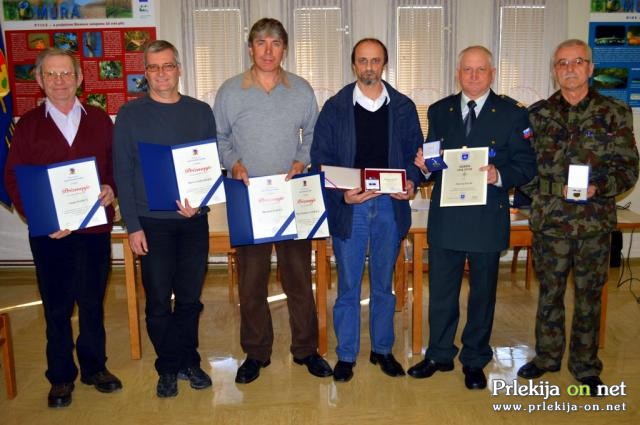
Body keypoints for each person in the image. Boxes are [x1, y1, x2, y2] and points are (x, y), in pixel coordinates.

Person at [408, 46, 537, 389]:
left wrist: (498, 175)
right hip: (447, 218)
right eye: (467, 69)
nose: (474, 76)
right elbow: (434, 163)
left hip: (486, 217)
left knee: (482, 295)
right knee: (441, 292)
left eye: (481, 69)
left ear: (492, 73)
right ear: (458, 73)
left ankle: (475, 359)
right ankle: (438, 354)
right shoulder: (440, 111)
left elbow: (527, 165)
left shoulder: (512, 114)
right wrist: (423, 167)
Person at [517, 39, 639, 396]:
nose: (569, 68)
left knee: (589, 296)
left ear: (590, 68)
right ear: (554, 71)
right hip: (551, 222)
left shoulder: (614, 113)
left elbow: (629, 169)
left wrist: (599, 188)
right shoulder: (537, 114)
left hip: (592, 223)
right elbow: (525, 166)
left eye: (577, 62)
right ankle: (547, 358)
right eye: (562, 63)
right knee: (549, 293)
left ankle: (585, 367)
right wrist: (537, 187)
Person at [214, 18, 332, 384]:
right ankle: (256, 352)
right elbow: (218, 136)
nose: (268, 50)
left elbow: (314, 133)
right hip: (248, 198)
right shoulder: (231, 91)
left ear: (284, 48)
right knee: (251, 282)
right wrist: (233, 164)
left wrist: (302, 159)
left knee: (297, 278)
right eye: (261, 42)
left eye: (275, 43)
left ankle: (306, 350)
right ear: (250, 48)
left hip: (291, 195)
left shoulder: (300, 89)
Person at [4, 47, 122, 408]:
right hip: (50, 236)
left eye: (66, 74)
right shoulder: (26, 126)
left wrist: (110, 188)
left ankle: (94, 367)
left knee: (91, 304)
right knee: (56, 308)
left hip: (92, 232)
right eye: (51, 75)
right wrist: (39, 218)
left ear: (79, 78)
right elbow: (13, 178)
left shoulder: (101, 120)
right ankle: (60, 377)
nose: (59, 81)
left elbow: (115, 167)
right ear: (39, 81)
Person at [310, 38, 423, 382]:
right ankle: (346, 354)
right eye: (363, 61)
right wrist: (344, 195)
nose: (369, 67)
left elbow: (415, 154)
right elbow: (320, 159)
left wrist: (413, 182)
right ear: (354, 65)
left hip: (389, 207)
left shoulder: (403, 106)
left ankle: (383, 350)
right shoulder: (335, 107)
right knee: (347, 285)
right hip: (352, 208)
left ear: (384, 64)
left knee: (384, 285)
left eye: (375, 61)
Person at [113, 40, 215, 398]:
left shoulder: (201, 111)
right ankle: (167, 366)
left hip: (192, 223)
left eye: (168, 66)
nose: (161, 74)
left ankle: (189, 360)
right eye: (154, 68)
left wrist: (200, 205)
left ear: (179, 69)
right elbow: (122, 172)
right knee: (158, 300)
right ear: (146, 74)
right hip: (150, 221)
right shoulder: (130, 115)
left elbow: (208, 166)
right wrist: (133, 226)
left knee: (190, 299)